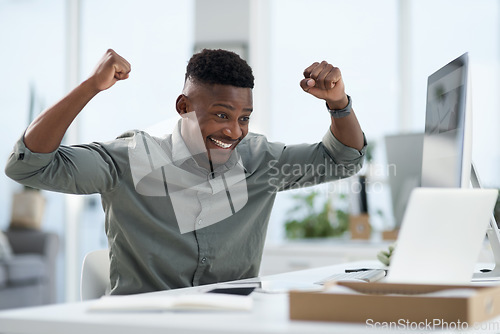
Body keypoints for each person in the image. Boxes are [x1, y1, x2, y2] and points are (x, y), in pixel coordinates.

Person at [5, 49, 366, 295]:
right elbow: (28, 165)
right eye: (221, 115)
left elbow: (345, 159)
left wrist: (338, 102)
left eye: (244, 118)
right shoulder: (130, 159)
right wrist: (91, 87)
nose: (234, 132)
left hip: (231, 322)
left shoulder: (261, 160)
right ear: (184, 107)